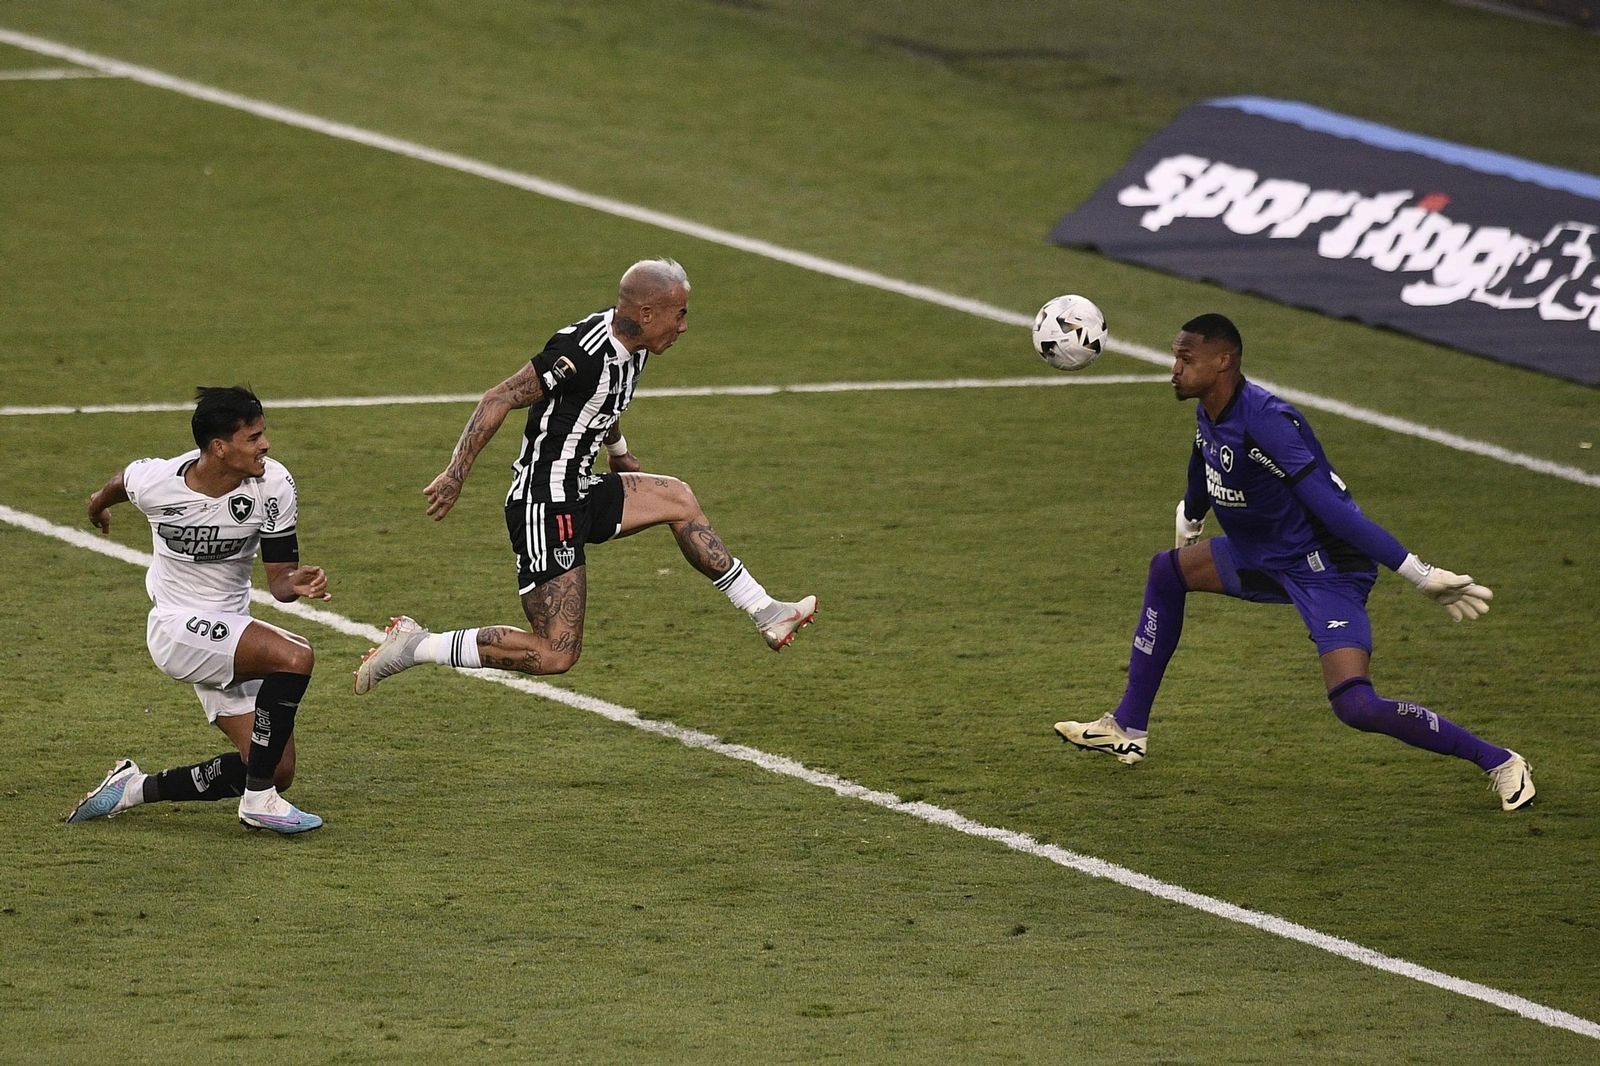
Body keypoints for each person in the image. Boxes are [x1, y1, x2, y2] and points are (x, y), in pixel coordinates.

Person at [1053, 314, 1534, 811]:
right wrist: (1192, 513)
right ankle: (1127, 727)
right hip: (1262, 552)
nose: (1173, 368)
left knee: (1355, 705)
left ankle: (1500, 761)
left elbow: (1332, 509)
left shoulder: (1269, 423)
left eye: (1185, 359)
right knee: (1166, 571)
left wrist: (1420, 574)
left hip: (1325, 566)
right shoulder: (1212, 407)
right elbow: (1205, 453)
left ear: (1224, 362)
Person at [354, 258, 815, 693]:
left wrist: (619, 453)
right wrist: (456, 471)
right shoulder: (577, 353)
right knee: (555, 653)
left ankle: (765, 612)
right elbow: (499, 398)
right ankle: (416, 646)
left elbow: (604, 403)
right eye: (679, 315)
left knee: (678, 498)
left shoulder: (637, 343)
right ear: (648, 312)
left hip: (581, 488)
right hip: (544, 504)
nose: (684, 326)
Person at [67, 386, 330, 833]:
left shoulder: (273, 485)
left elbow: (279, 582)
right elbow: (119, 485)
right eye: (253, 437)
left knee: (273, 766)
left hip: (229, 633)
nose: (265, 445)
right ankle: (258, 802)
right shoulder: (158, 481)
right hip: (175, 629)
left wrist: (295, 583)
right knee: (295, 655)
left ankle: (133, 788)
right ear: (219, 447)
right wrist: (96, 507)